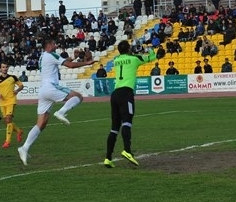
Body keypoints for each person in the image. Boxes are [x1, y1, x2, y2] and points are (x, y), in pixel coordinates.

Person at [17, 39, 94, 165]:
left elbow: (63, 62)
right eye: (54, 43)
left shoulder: (43, 56)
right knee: (78, 96)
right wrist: (87, 63)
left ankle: (24, 148)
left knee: (41, 124)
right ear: (48, 45)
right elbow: (69, 66)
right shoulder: (51, 55)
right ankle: (61, 112)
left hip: (43, 91)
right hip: (51, 87)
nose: (56, 45)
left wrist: (73, 57)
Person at [103, 40, 157, 168]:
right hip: (126, 93)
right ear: (128, 49)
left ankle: (108, 158)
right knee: (127, 122)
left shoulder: (116, 60)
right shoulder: (134, 59)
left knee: (114, 128)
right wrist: (149, 49)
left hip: (115, 94)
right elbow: (152, 57)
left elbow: (126, 57)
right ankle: (127, 150)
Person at [0, 62, 24, 148]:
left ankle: (7, 142)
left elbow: (21, 86)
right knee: (7, 122)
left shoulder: (13, 77)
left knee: (8, 119)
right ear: (0, 69)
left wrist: (17, 90)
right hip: (2, 103)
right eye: (3, 67)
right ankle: (18, 131)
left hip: (11, 101)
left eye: (6, 67)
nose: (5, 68)